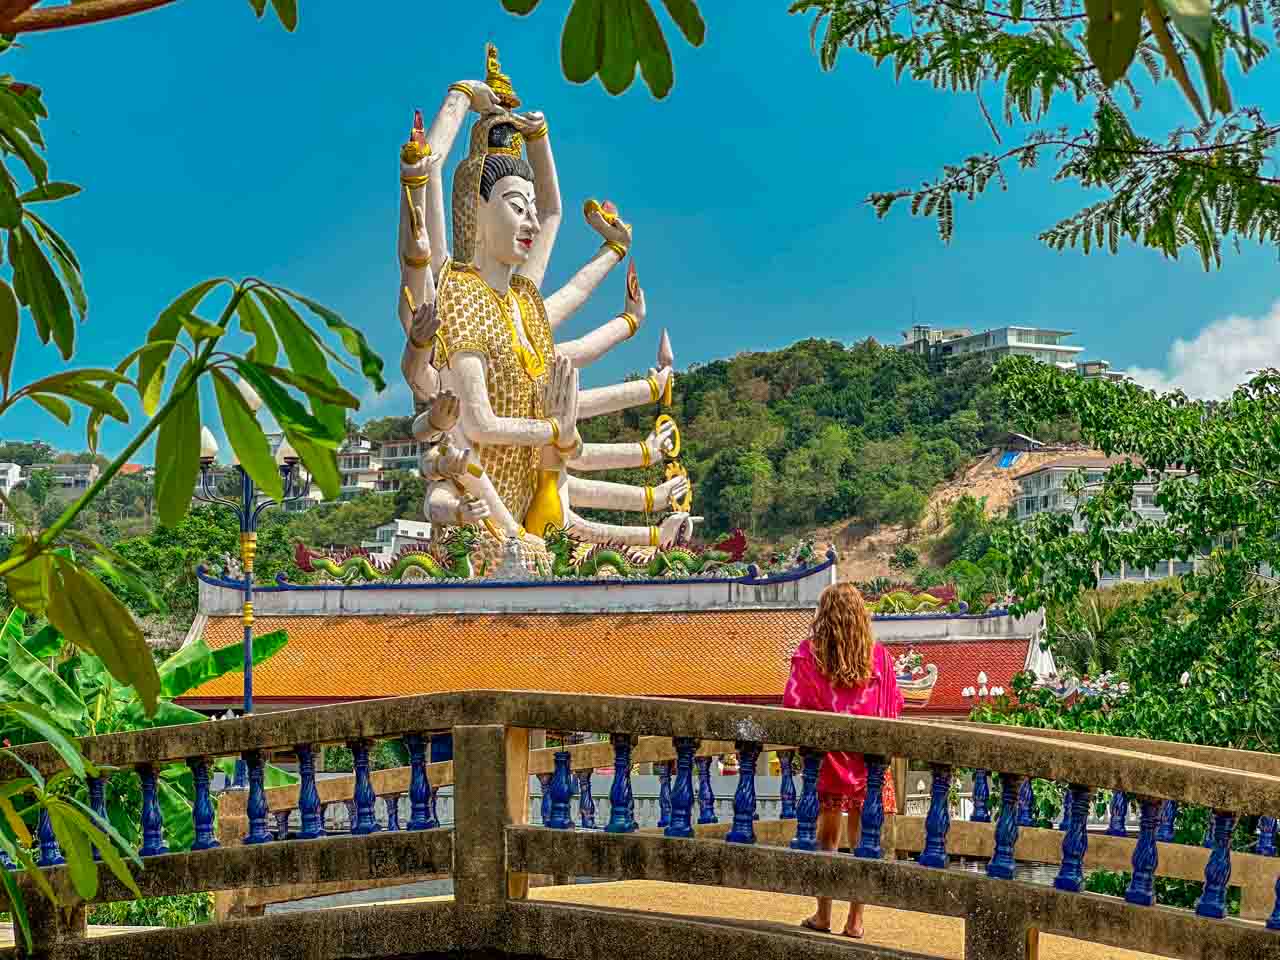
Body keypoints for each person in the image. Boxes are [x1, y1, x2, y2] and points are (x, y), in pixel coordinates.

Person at [783, 581, 903, 939]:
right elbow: (893, 708)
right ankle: (856, 920)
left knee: (827, 840)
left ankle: (823, 915)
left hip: (828, 761)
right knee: (864, 841)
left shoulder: (809, 654)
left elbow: (793, 706)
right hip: (868, 765)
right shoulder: (878, 657)